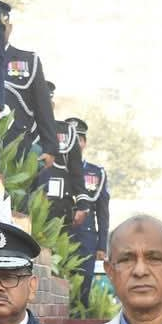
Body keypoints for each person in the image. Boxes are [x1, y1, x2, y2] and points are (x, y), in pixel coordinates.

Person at [0, 2, 56, 166]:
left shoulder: (27, 60)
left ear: (10, 27)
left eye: (3, 26)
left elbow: (43, 106)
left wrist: (50, 147)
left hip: (17, 146)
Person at [66, 118, 110, 307]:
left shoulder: (96, 173)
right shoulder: (56, 167)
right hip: (61, 234)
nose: (75, 144)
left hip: (86, 236)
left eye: (79, 139)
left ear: (84, 143)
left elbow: (102, 211)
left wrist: (102, 246)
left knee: (83, 283)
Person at [34, 109, 89, 233]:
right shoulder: (17, 122)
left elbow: (76, 173)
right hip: (21, 203)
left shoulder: (65, 132)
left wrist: (82, 204)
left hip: (57, 207)